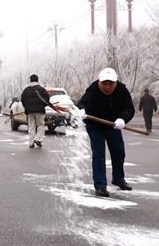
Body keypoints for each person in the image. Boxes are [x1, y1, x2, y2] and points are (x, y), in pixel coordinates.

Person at [76, 67, 135, 197]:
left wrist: (122, 119)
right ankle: (100, 185)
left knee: (119, 152)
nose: (107, 87)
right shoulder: (93, 90)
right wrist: (82, 110)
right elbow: (84, 102)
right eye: (104, 83)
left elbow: (129, 108)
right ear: (99, 82)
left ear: (116, 82)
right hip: (95, 126)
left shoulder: (122, 90)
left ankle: (118, 179)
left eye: (111, 83)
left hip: (113, 125)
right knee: (99, 154)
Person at [20, 74, 67, 148]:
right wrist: (42, 106)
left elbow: (22, 100)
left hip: (29, 111)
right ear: (37, 80)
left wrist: (27, 107)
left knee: (31, 126)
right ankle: (38, 139)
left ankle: (31, 143)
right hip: (39, 110)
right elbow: (46, 99)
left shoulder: (26, 90)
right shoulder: (41, 89)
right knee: (40, 125)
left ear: (30, 80)